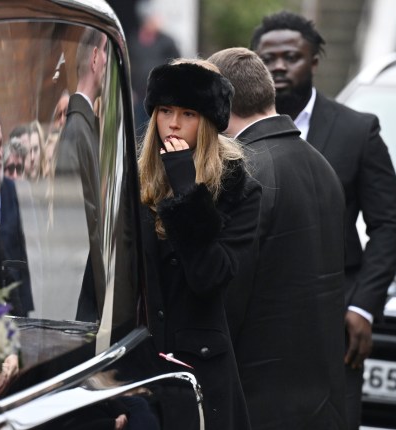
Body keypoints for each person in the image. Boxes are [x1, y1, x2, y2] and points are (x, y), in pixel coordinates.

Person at [250, 12, 396, 429]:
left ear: (313, 61)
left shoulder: (357, 130)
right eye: (268, 58)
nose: (279, 66)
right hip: (259, 318)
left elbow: (388, 224)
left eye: (291, 56)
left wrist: (363, 307)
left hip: (335, 315)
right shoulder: (233, 135)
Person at [208, 47, 347, 429]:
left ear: (220, 102)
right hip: (320, 400)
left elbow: (228, 288)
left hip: (256, 399)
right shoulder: (322, 165)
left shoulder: (244, 172)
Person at [137, 58, 261, 430]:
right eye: (165, 110)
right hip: (138, 367)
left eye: (188, 113)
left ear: (206, 122)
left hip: (200, 372)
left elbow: (210, 276)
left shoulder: (237, 188)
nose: (173, 123)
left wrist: (187, 190)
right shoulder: (134, 180)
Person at [54, 27, 108, 321]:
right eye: (108, 58)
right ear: (96, 57)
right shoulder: (76, 129)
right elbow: (72, 223)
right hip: (80, 295)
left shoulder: (85, 125)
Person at [0, 107, 34, 317]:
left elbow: (22, 253)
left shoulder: (12, 191)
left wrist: (26, 311)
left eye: (1, 144)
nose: (0, 154)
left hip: (17, 309)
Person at [128, 0, 180, 137]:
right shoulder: (133, 41)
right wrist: (130, 89)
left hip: (160, 97)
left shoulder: (167, 41)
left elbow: (178, 65)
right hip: (139, 96)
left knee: (158, 131)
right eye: (153, 18)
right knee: (139, 131)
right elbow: (127, 66)